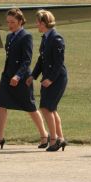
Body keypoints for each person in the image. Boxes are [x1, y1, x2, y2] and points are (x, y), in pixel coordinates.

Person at [0, 8, 48, 150]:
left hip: (21, 78)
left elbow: (27, 60)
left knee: (30, 107)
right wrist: (7, 73)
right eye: (8, 22)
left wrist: (18, 75)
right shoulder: (9, 36)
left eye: (13, 22)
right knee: (1, 105)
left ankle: (44, 135)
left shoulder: (26, 36)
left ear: (20, 21)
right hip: (7, 76)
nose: (10, 24)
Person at [26, 10, 68, 152]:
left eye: (38, 22)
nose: (36, 25)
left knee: (46, 108)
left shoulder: (56, 39)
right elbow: (41, 59)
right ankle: (60, 138)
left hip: (56, 78)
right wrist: (33, 75)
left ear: (43, 23)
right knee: (51, 109)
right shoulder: (46, 37)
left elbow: (58, 63)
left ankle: (54, 139)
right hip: (48, 78)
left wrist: (50, 79)